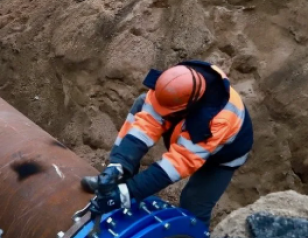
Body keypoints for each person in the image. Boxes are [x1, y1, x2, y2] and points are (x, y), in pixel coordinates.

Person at [78, 61, 253, 226]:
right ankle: (118, 178)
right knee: (142, 103)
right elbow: (145, 126)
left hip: (222, 155)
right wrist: (118, 165)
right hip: (189, 126)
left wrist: (127, 194)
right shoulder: (175, 82)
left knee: (193, 205)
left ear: (187, 107)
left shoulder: (216, 122)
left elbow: (176, 165)